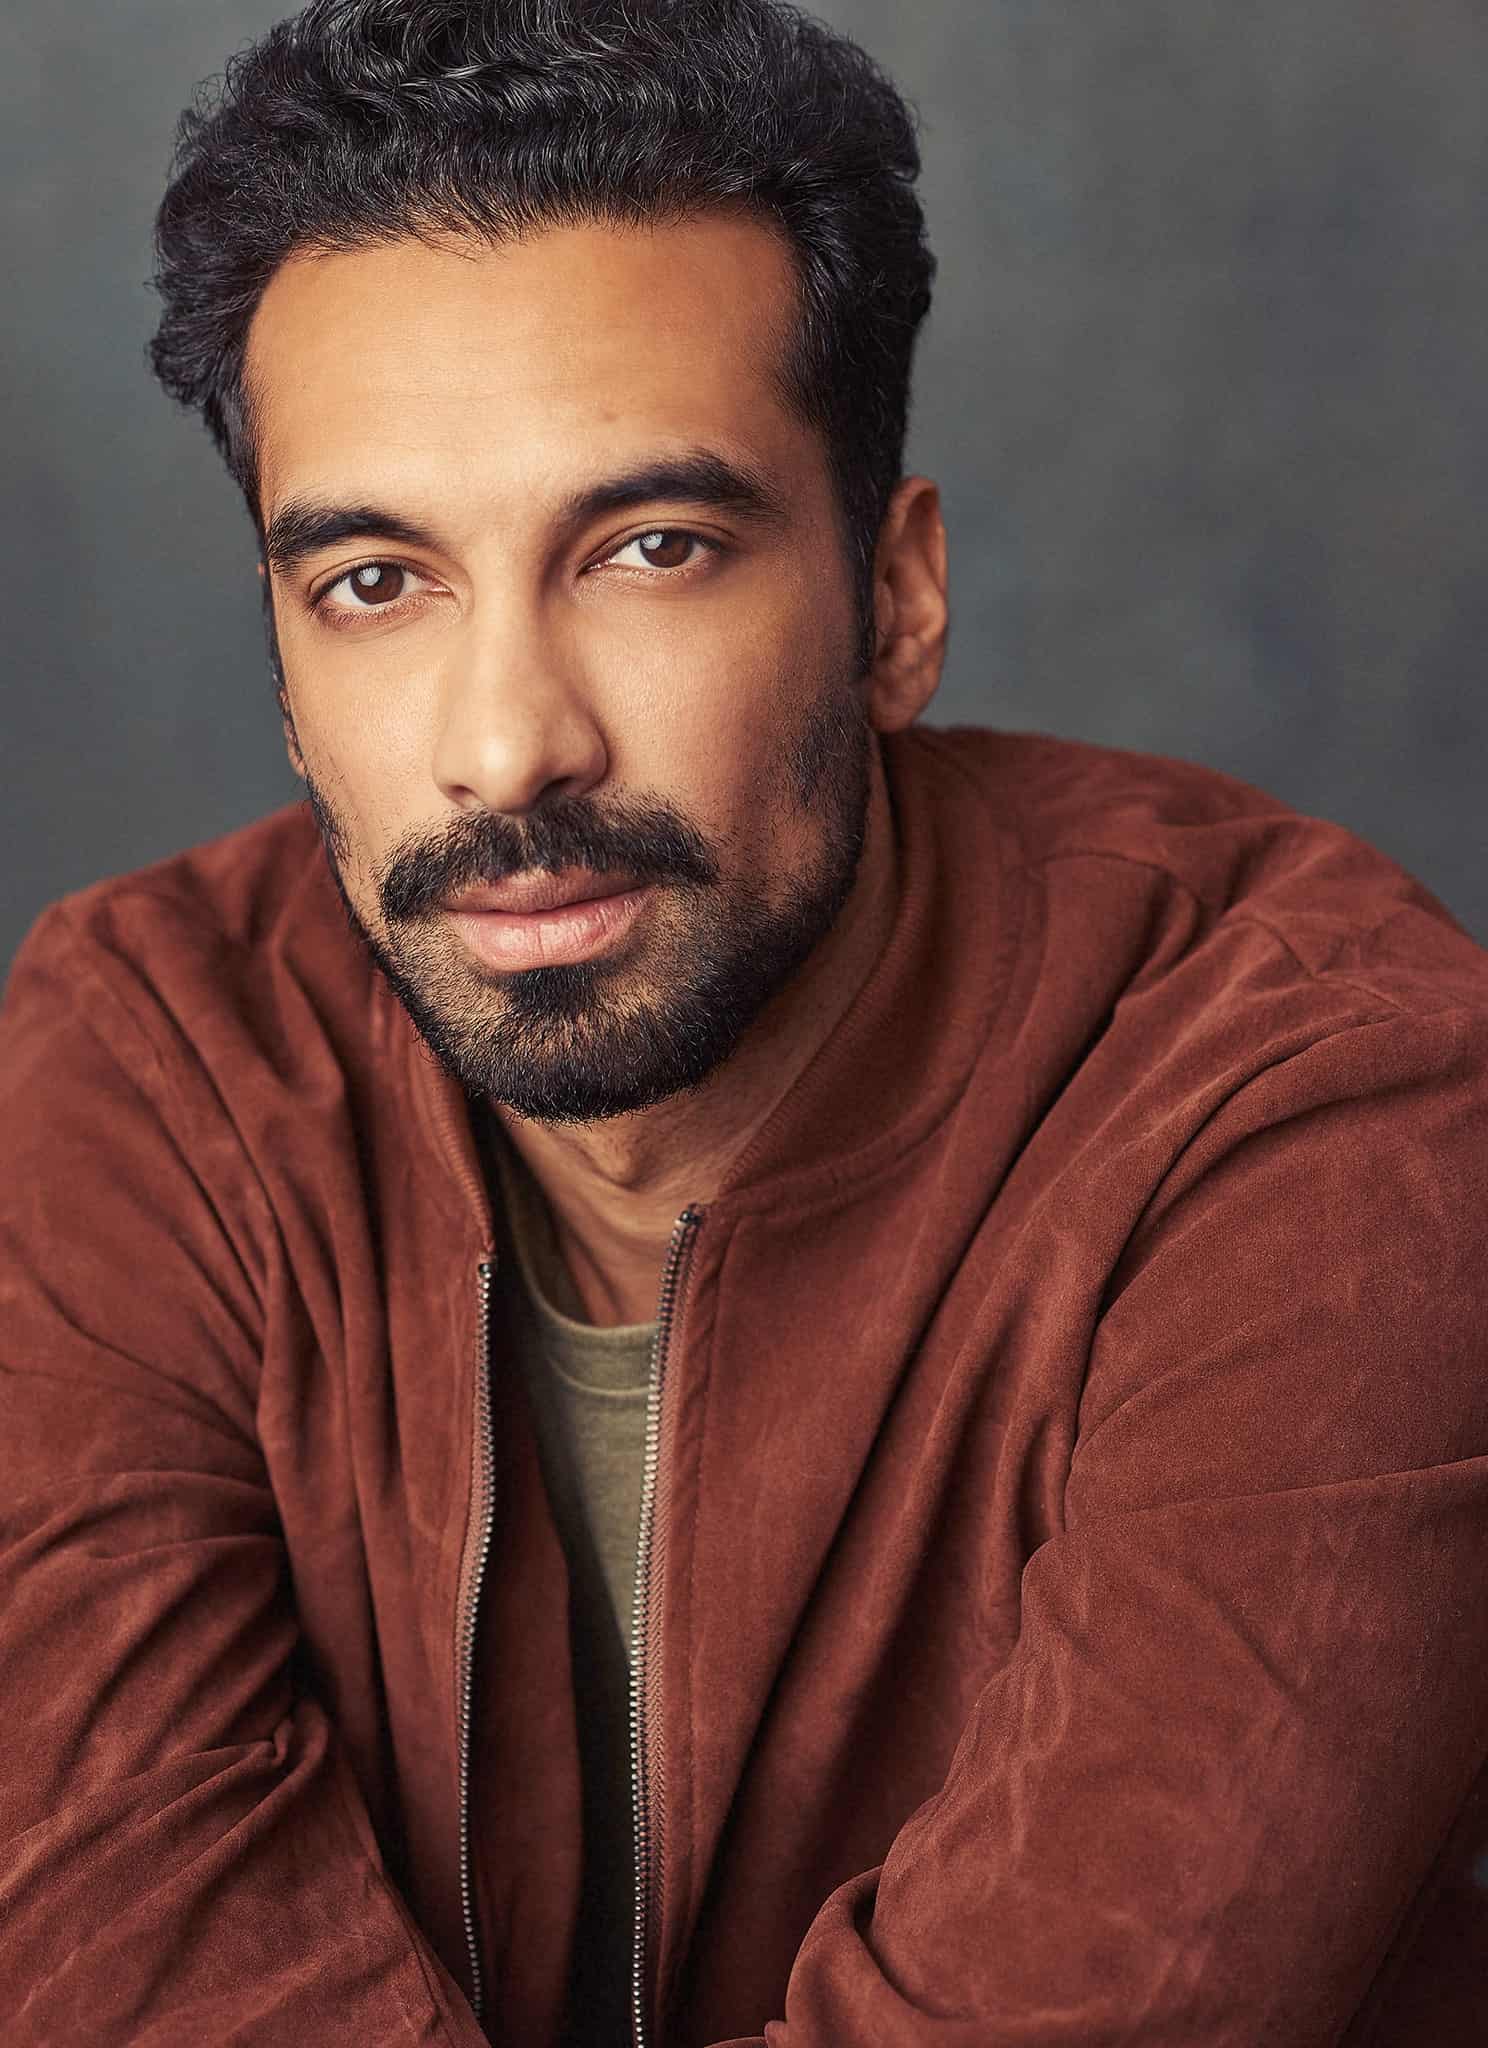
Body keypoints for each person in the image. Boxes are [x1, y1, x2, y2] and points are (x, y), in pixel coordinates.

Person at [2, 0, 1486, 2041]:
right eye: (374, 580)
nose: (507, 743)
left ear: (894, 599)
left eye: (651, 549)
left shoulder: (1333, 1108)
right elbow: (120, 1954)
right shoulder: (143, 1060)